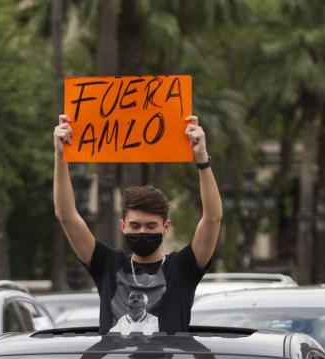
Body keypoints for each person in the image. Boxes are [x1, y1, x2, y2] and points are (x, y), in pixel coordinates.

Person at [52, 113, 223, 335]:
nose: (142, 231)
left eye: (151, 226)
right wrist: (60, 154)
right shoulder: (107, 265)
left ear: (166, 227)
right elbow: (66, 214)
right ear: (122, 226)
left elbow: (212, 218)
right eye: (135, 226)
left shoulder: (182, 268)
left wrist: (202, 159)